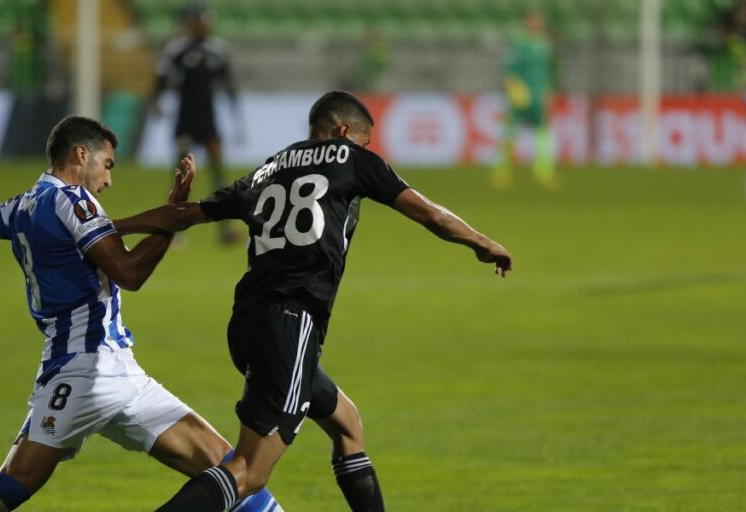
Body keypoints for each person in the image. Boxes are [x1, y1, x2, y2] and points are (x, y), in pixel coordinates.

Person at [0, 116, 282, 512]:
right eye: (107, 165)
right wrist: (173, 214)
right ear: (81, 155)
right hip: (90, 371)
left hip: (99, 368)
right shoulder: (74, 201)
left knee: (228, 469)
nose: (109, 180)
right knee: (232, 472)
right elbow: (130, 273)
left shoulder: (22, 205)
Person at [114, 91, 513, 512]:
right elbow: (429, 213)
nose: (364, 150)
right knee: (248, 472)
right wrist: (481, 242)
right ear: (343, 132)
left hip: (247, 322)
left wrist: (110, 227)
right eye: (363, 141)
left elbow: (184, 216)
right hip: (291, 321)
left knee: (346, 423)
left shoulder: (268, 168)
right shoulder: (351, 159)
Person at [149, 4, 242, 244]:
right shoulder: (177, 51)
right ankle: (174, 230)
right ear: (189, 24)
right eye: (200, 21)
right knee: (182, 176)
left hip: (209, 121)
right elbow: (161, 79)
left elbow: (228, 84)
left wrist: (236, 118)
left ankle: (225, 230)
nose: (204, 26)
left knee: (218, 174)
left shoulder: (218, 50)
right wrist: (157, 102)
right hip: (185, 121)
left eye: (206, 21)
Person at [492, 10, 556, 190]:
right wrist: (512, 88)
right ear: (527, 23)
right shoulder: (519, 42)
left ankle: (544, 172)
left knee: (542, 130)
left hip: (538, 93)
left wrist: (547, 90)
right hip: (521, 93)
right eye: (533, 21)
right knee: (510, 130)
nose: (536, 25)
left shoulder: (544, 43)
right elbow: (509, 68)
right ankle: (502, 170)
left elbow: (547, 71)